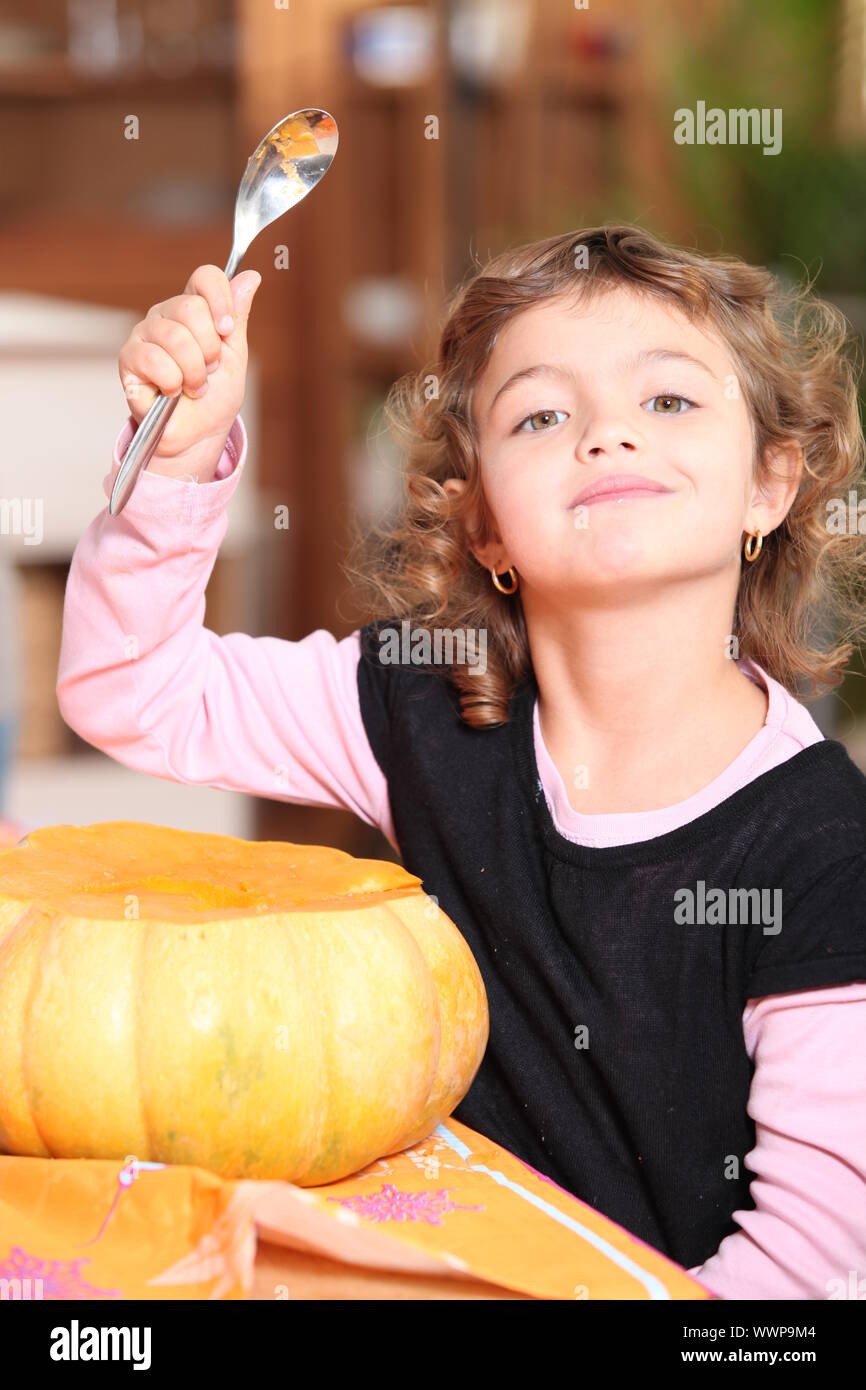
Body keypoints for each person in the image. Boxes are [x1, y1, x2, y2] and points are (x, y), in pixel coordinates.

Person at [56, 224, 866, 1299]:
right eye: (540, 413)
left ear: (767, 486)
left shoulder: (823, 853)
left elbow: (811, 1273)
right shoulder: (421, 703)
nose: (606, 435)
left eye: (667, 400)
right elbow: (132, 689)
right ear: (483, 524)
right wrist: (179, 455)